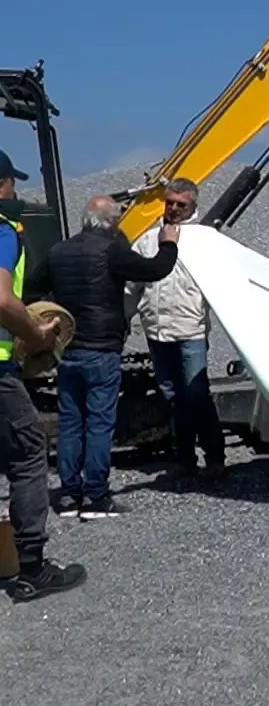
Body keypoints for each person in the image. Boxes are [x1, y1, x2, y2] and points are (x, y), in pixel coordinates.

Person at [23, 194, 180, 519]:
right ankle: (95, 496)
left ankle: (68, 496)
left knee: (70, 423)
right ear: (111, 222)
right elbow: (155, 270)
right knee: (98, 424)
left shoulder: (59, 251)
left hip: (67, 350)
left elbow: (31, 287)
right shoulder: (112, 250)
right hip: (102, 350)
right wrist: (168, 243)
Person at [0, 148, 87, 601]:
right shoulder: (2, 229)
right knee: (29, 454)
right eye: (11, 181)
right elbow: (1, 298)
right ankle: (31, 567)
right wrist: (34, 333)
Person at [125, 178, 225, 480]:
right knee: (173, 396)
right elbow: (131, 287)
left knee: (197, 394)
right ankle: (184, 459)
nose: (174, 209)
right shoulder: (147, 241)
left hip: (190, 332)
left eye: (181, 204)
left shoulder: (205, 241)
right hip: (157, 332)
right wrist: (123, 320)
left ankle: (215, 457)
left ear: (193, 205)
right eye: (170, 203)